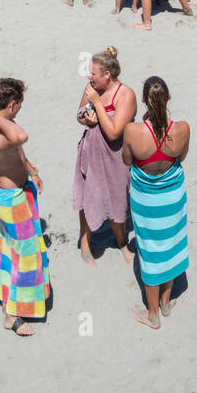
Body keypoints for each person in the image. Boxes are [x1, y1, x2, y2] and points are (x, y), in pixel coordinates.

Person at [123, 76, 190, 329]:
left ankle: (153, 315)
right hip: (173, 196)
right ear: (169, 98)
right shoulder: (182, 128)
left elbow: (127, 161)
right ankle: (165, 301)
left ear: (143, 101)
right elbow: (181, 156)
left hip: (146, 200)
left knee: (149, 251)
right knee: (171, 244)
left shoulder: (133, 131)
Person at [0, 77, 49, 335]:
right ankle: (11, 315)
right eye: (19, 105)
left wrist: (32, 171)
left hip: (18, 191)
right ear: (12, 104)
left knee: (12, 249)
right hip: (11, 199)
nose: (20, 109)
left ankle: (14, 298)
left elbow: (18, 149)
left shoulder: (4, 126)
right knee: (25, 254)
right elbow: (21, 137)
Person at [73, 48, 136, 264]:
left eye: (93, 74)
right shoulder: (92, 88)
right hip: (91, 152)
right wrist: (88, 120)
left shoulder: (126, 95)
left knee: (117, 198)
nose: (89, 77)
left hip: (116, 156)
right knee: (88, 195)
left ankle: (120, 242)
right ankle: (85, 243)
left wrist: (98, 105)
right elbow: (79, 115)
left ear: (107, 74)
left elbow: (114, 132)